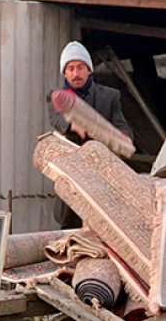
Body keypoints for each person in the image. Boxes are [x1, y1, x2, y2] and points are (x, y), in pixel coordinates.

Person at [46, 40, 134, 228]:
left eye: (79, 67)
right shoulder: (57, 97)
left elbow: (121, 126)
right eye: (70, 69)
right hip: (72, 176)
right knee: (69, 231)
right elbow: (58, 121)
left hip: (100, 174)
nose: (75, 73)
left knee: (104, 228)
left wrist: (124, 140)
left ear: (89, 70)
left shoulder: (110, 96)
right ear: (65, 73)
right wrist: (73, 126)